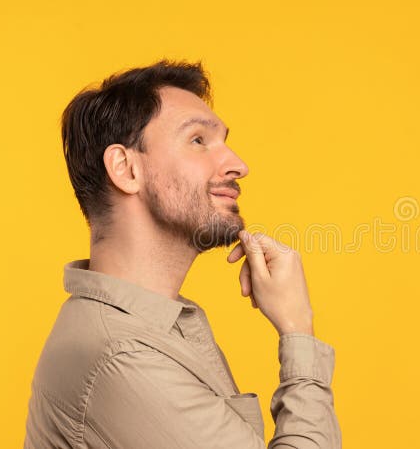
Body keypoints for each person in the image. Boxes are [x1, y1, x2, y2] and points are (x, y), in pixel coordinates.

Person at [24, 60, 341, 448]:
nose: (238, 165)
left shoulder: (154, 329)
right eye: (198, 141)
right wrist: (297, 329)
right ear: (125, 169)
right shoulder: (122, 355)